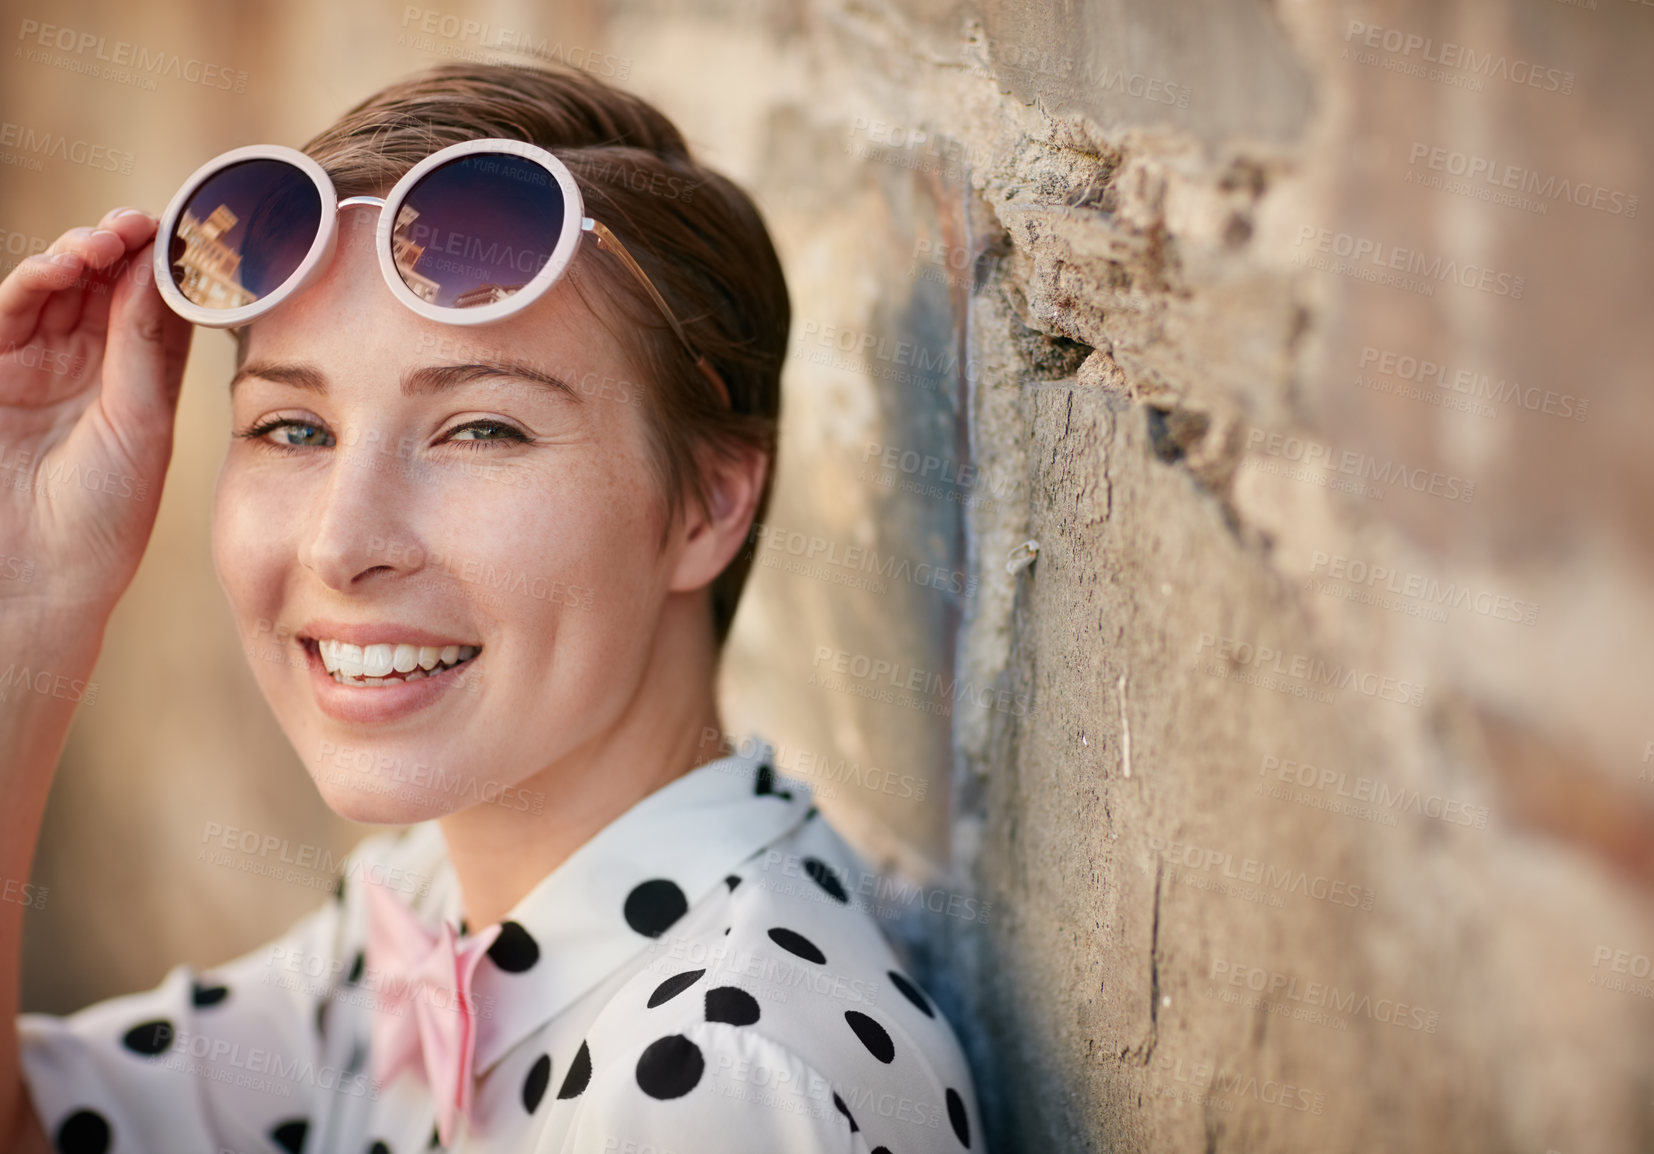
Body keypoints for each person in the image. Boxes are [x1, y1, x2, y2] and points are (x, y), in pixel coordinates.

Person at [0, 62, 981, 1154]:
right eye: (294, 428)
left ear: (710, 498)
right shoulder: (428, 904)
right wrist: (27, 603)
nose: (342, 542)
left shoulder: (713, 1085)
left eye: (481, 430)